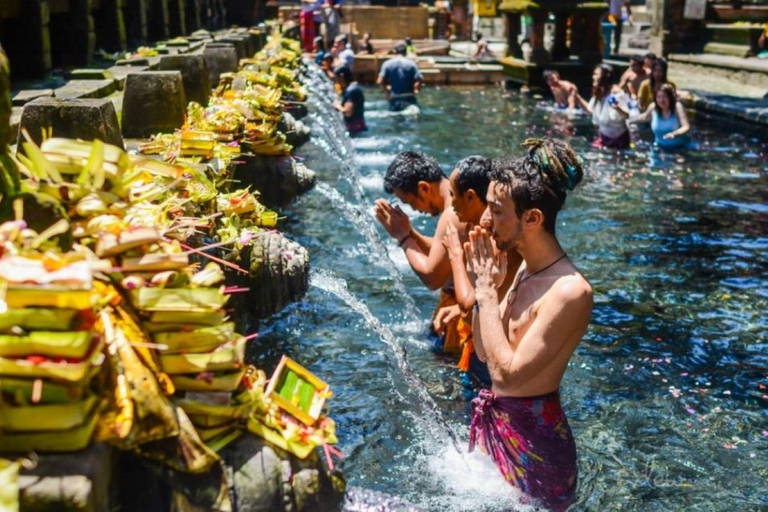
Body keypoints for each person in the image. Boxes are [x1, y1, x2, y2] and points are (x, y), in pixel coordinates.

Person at [465, 138, 592, 511]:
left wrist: (488, 293)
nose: (485, 220)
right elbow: (486, 353)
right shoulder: (523, 268)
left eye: (496, 210)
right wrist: (482, 292)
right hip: (500, 429)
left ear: (532, 219)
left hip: (538, 458)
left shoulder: (571, 292)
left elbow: (510, 378)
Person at [439, 156, 523, 383]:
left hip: (493, 347)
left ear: (470, 197)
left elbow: (469, 305)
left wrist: (455, 254)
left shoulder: (494, 240)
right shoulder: (488, 232)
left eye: (453, 195)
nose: (451, 203)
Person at [373, 152, 465, 354]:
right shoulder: (455, 206)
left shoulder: (453, 213)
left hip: (464, 321)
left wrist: (404, 238)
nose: (414, 209)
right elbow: (442, 253)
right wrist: (410, 231)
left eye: (410, 202)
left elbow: (433, 277)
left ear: (423, 188)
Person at [572, 63, 630, 149]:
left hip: (619, 140)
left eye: (596, 74)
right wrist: (577, 97)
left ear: (605, 76)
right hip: (604, 138)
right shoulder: (599, 92)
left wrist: (617, 108)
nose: (593, 77)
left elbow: (627, 115)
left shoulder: (616, 93)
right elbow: (590, 109)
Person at [625, 83, 690, 150]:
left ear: (670, 97)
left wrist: (674, 134)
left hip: (679, 148)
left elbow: (686, 126)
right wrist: (629, 121)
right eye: (658, 97)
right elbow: (645, 117)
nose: (661, 100)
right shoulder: (653, 107)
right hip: (659, 147)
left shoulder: (677, 107)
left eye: (665, 97)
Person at [377, 42, 424, 112]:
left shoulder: (387, 64)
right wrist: (416, 89)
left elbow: (379, 81)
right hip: (409, 98)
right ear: (406, 52)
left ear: (394, 51)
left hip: (395, 98)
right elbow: (420, 79)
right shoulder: (412, 64)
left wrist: (387, 92)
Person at [332, 65, 367, 134]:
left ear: (341, 76)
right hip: (359, 126)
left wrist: (337, 106)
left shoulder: (350, 91)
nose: (335, 81)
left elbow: (348, 112)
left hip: (354, 128)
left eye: (336, 78)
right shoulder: (355, 87)